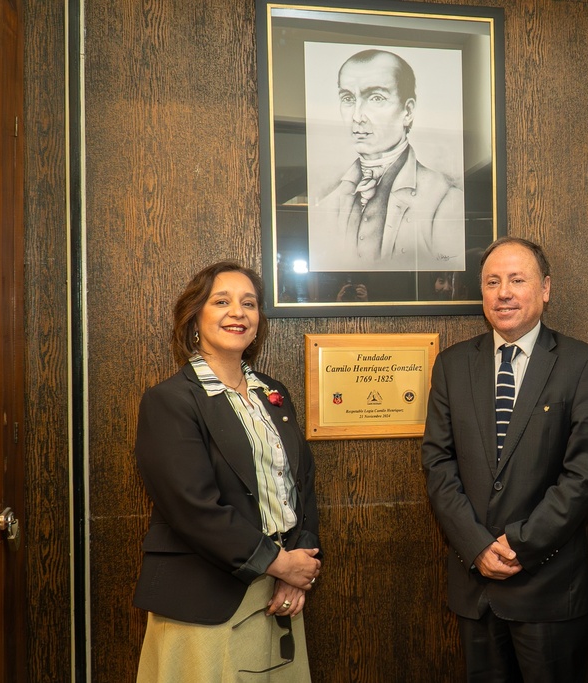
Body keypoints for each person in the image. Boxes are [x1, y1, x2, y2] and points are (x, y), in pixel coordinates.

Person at [422, 236, 588, 682]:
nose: (503, 292)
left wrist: (520, 545)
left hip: (549, 588)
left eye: (517, 280)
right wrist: (477, 546)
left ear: (545, 288)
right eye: (492, 281)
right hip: (476, 587)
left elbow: (583, 472)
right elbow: (438, 463)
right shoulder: (451, 365)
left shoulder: (582, 364)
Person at [133, 261, 322, 681]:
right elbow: (193, 507)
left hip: (278, 596)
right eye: (222, 301)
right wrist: (279, 563)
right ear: (194, 319)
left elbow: (302, 485)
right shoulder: (170, 401)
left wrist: (298, 568)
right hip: (205, 600)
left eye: (249, 303)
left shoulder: (272, 394)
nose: (238, 312)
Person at [309, 48, 465, 273]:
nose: (357, 116)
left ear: (408, 111)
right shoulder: (326, 203)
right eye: (348, 99)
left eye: (376, 98)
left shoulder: (444, 200)